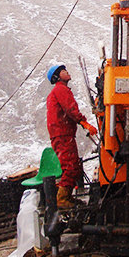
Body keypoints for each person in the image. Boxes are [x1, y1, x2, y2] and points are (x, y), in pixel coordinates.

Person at [45, 63, 98, 206]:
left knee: (73, 165)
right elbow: (70, 109)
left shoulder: (59, 91)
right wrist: (84, 122)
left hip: (62, 134)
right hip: (62, 134)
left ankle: (66, 197)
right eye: (63, 71)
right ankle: (62, 200)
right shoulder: (60, 90)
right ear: (57, 77)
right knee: (70, 166)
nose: (67, 72)